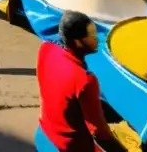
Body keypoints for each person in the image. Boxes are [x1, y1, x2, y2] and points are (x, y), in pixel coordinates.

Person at [36, 12, 125, 152]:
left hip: (47, 127)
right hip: (71, 145)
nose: (97, 40)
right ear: (77, 42)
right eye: (92, 36)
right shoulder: (85, 80)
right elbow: (98, 132)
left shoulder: (46, 48)